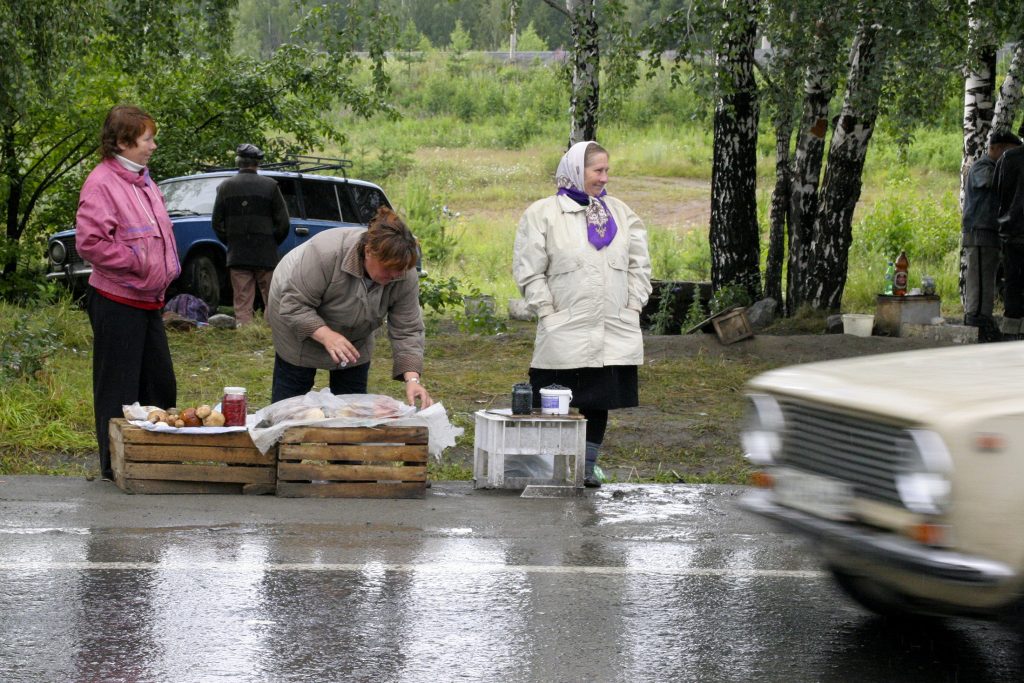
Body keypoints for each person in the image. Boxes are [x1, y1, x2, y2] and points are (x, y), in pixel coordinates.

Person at [512, 140, 652, 488]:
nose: (605, 177)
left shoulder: (621, 213)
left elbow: (640, 266)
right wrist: (546, 310)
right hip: (564, 326)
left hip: (612, 325)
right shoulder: (543, 213)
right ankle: (546, 470)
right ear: (577, 171)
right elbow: (529, 271)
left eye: (607, 170)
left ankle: (585, 469)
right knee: (552, 401)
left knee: (598, 400)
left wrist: (633, 304)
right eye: (597, 170)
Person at [75, 105, 180, 480]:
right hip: (118, 300)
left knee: (159, 384)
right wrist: (139, 264)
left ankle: (153, 460)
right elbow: (90, 243)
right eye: (147, 138)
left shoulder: (144, 179)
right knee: (118, 389)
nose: (153, 145)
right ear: (123, 142)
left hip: (147, 300)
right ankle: (113, 468)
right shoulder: (102, 182)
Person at [266, 206, 433, 409]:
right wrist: (327, 335)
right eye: (389, 269)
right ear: (369, 251)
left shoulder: (402, 272)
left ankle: (345, 440)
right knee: (289, 407)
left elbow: (408, 328)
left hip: (356, 333)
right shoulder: (326, 253)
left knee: (352, 409)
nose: (395, 276)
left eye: (400, 271)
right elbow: (293, 305)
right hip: (294, 316)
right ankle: (284, 436)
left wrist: (412, 380)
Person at [212, 143, 290, 325]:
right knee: (272, 296)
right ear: (257, 164)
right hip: (266, 253)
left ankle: (244, 330)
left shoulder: (225, 187)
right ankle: (272, 330)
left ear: (238, 162)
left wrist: (232, 241)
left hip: (237, 253)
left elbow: (216, 223)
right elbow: (284, 223)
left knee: (242, 298)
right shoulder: (271, 186)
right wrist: (271, 241)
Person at [962, 131, 1022, 341]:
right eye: (1008, 152)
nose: (1010, 158)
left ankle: (983, 319)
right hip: (979, 231)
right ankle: (975, 319)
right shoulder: (983, 166)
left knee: (987, 280)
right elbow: (991, 183)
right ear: (996, 148)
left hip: (992, 233)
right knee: (978, 280)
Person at [996, 132, 1024, 340]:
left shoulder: (1008, 158)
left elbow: (998, 193)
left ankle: (1011, 333)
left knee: (1013, 283)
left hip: (1011, 231)